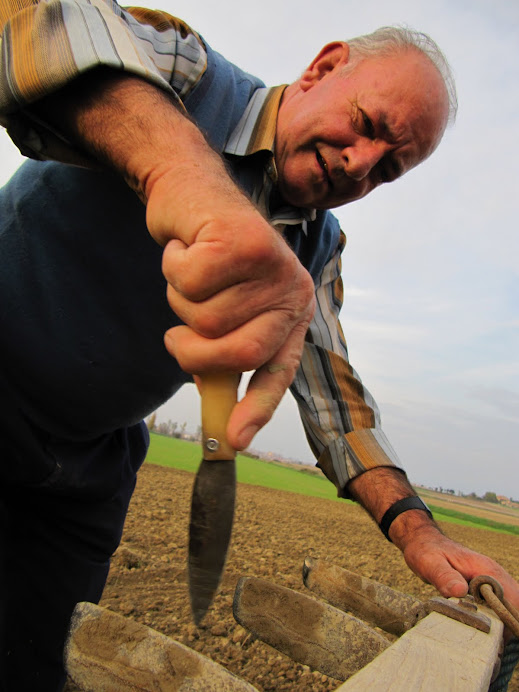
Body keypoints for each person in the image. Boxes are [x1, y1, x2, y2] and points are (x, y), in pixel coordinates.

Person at [0, 2, 517, 689]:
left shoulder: (317, 248)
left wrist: (420, 533)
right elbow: (34, 23)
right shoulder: (187, 71)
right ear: (322, 68)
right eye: (365, 126)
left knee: (31, 666)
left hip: (86, 466)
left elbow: (339, 411)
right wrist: (181, 175)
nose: (359, 164)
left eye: (387, 171)